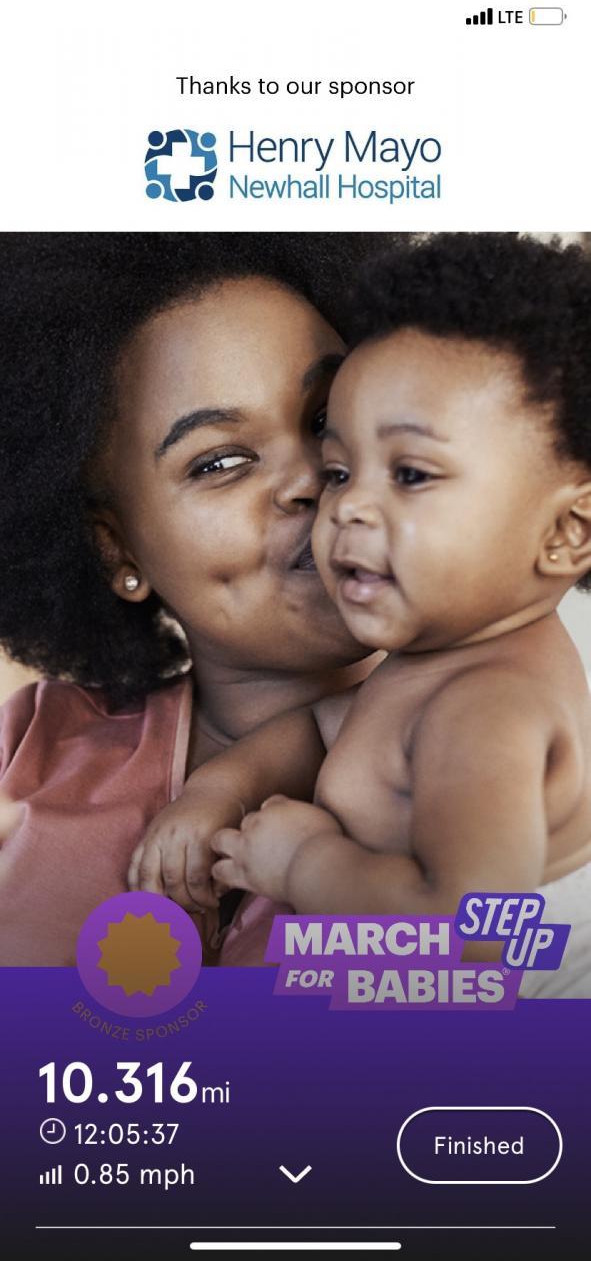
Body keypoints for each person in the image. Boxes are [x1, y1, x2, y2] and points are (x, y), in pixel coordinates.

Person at [135, 234, 591, 994]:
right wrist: (219, 791)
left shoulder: (489, 708)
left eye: (410, 474)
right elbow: (323, 728)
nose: (342, 506)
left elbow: (471, 941)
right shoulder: (440, 662)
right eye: (342, 469)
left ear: (565, 533)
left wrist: (304, 863)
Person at [0, 231, 388, 966]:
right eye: (220, 461)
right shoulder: (27, 750)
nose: (310, 476)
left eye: (324, 416)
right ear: (116, 547)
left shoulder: (506, 744)